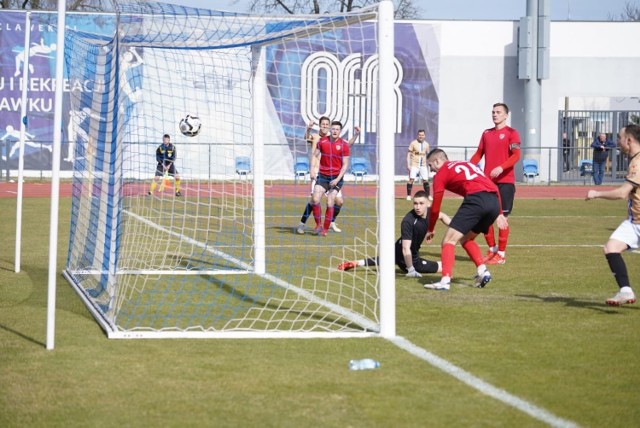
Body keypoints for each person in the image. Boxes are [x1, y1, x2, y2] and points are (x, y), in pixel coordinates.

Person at [423, 149, 508, 290]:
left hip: (476, 200)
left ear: (437, 161)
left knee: (448, 241)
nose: (431, 171)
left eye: (430, 165)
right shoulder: (467, 164)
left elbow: (436, 206)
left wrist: (431, 228)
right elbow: (493, 187)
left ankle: (445, 281)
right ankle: (482, 271)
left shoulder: (441, 173)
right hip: (493, 201)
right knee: (466, 239)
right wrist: (499, 212)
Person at [586, 124, 640, 306]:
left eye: (619, 137)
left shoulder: (638, 162)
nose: (617, 141)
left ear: (629, 140)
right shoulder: (635, 160)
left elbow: (623, 193)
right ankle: (625, 291)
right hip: (634, 222)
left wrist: (596, 194)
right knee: (611, 248)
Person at [337, 191, 450, 276]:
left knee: (387, 259)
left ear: (428, 204)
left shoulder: (431, 213)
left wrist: (455, 228)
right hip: (407, 256)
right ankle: (411, 267)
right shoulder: (408, 221)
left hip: (397, 248)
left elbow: (443, 216)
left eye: (421, 203)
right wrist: (411, 270)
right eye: (415, 203)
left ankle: (357, 262)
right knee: (443, 266)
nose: (418, 207)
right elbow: (406, 248)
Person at [469, 102, 521, 265]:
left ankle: (502, 255)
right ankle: (492, 250)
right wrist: (469, 167)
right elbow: (478, 154)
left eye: (498, 112)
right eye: (493, 112)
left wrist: (501, 167)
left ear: (506, 115)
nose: (495, 114)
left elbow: (516, 155)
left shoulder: (512, 133)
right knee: (485, 216)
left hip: (505, 182)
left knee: (502, 218)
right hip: (487, 182)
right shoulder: (486, 133)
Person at [296, 118, 359, 234]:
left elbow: (347, 144)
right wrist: (309, 128)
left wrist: (356, 135)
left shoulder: (334, 136)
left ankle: (330, 222)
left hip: (334, 174)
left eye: (327, 124)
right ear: (319, 126)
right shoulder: (316, 137)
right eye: (323, 124)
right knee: (314, 199)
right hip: (318, 171)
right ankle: (303, 224)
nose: (325, 126)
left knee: (339, 202)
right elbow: (306, 138)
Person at [308, 120, 351, 236]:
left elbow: (345, 165)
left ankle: (325, 230)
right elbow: (314, 155)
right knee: (315, 199)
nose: (335, 131)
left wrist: (337, 180)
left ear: (340, 131)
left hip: (336, 178)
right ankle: (318, 225)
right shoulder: (322, 142)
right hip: (322, 176)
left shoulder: (344, 145)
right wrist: (312, 170)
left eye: (337, 129)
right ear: (330, 129)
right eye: (333, 128)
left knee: (330, 200)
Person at [406, 129, 431, 200]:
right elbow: (408, 154)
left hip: (423, 165)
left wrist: (429, 164)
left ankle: (428, 195)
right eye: (419, 135)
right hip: (414, 164)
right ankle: (408, 195)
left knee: (425, 180)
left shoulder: (426, 144)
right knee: (411, 179)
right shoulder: (413, 143)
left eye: (422, 135)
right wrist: (408, 164)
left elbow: (428, 155)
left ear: (424, 136)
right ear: (418, 135)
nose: (421, 136)